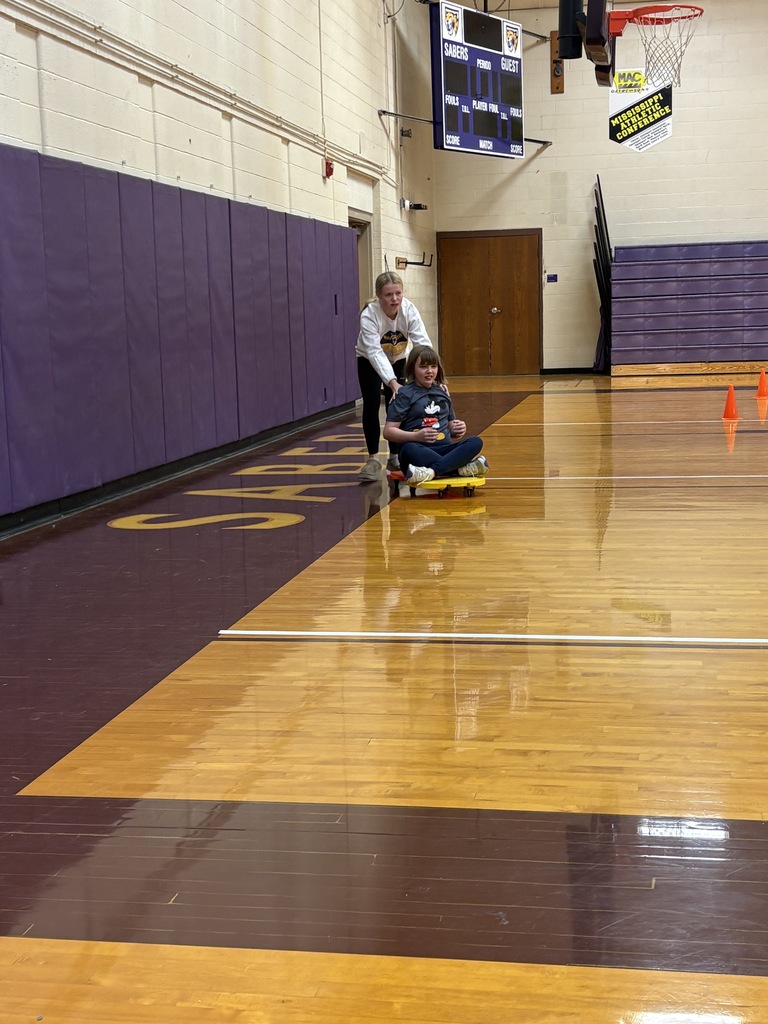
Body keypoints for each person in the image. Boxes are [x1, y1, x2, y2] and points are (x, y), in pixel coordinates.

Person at [355, 271, 432, 482]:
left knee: (397, 404)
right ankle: (372, 458)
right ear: (379, 296)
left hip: (398, 358)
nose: (394, 299)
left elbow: (422, 342)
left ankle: (395, 455)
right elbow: (374, 352)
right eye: (389, 295)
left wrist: (432, 374)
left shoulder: (409, 310)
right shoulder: (369, 315)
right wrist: (392, 382)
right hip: (368, 360)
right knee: (371, 404)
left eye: (398, 293)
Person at [383, 345, 489, 485]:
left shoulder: (442, 392)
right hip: (419, 451)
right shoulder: (404, 394)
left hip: (443, 449)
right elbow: (388, 432)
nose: (429, 371)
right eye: (423, 367)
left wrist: (458, 428)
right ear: (413, 369)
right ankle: (456, 467)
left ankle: (432, 472)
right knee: (409, 448)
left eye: (433, 366)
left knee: (475, 442)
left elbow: (451, 424)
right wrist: (416, 436)